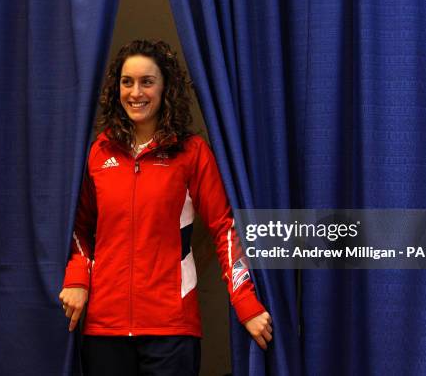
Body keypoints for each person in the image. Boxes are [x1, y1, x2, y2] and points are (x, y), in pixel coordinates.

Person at [59, 39, 272, 375]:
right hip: (104, 328)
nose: (135, 92)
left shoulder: (191, 152)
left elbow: (224, 228)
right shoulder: (100, 152)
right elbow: (79, 227)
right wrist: (77, 279)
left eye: (147, 81)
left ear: (165, 87)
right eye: (127, 82)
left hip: (171, 328)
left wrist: (244, 303)